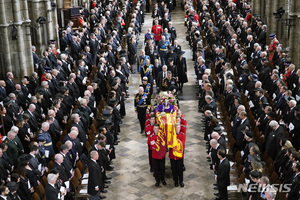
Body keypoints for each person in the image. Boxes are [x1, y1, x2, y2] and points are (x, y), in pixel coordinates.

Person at [169, 123, 186, 187]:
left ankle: (181, 181)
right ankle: (175, 181)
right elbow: (170, 144)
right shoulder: (170, 136)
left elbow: (181, 144)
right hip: (172, 155)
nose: (177, 129)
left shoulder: (182, 135)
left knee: (180, 169)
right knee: (174, 169)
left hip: (179, 156)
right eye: (176, 128)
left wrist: (175, 143)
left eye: (178, 128)